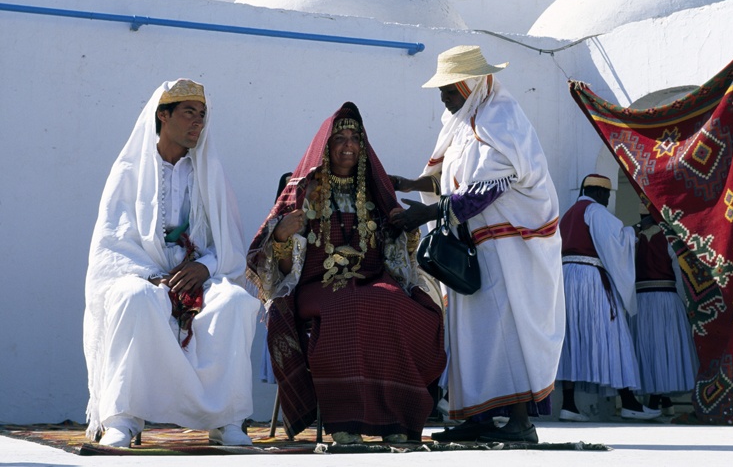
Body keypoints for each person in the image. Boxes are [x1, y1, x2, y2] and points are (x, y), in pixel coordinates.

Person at [390, 45, 565, 444]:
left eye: (449, 90)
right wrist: (410, 184)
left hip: (511, 248)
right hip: (477, 246)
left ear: (472, 84)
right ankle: (485, 417)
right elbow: (451, 182)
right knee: (478, 334)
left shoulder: (501, 120)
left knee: (509, 329)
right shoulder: (462, 124)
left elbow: (486, 189)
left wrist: (425, 214)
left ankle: (519, 422)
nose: (444, 98)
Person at [247, 102, 446, 445]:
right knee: (351, 307)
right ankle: (346, 422)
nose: (348, 145)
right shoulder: (304, 193)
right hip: (315, 286)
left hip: (371, 280)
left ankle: (397, 420)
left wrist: (405, 231)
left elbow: (397, 251)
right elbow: (279, 269)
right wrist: (281, 236)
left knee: (405, 307)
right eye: (340, 137)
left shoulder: (374, 192)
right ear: (326, 146)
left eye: (355, 138)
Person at [83, 79, 262, 448]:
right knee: (134, 299)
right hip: (141, 274)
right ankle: (123, 419)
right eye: (188, 113)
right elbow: (112, 242)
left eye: (202, 115)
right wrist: (152, 276)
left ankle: (226, 419)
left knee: (236, 303)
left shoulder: (209, 173)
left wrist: (205, 268)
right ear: (162, 116)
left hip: (197, 276)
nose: (198, 122)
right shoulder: (129, 172)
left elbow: (227, 241)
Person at [557, 174, 659, 421]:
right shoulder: (596, 211)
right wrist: (635, 230)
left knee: (571, 339)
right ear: (601, 194)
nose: (606, 199)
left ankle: (568, 406)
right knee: (613, 336)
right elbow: (615, 243)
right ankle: (629, 403)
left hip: (566, 278)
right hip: (590, 278)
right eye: (607, 195)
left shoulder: (568, 214)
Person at [631, 201, 698, 416]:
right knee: (666, 347)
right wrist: (684, 301)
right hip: (666, 298)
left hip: (641, 299)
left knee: (648, 348)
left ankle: (661, 400)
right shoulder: (670, 239)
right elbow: (679, 274)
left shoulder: (632, 239)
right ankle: (657, 401)